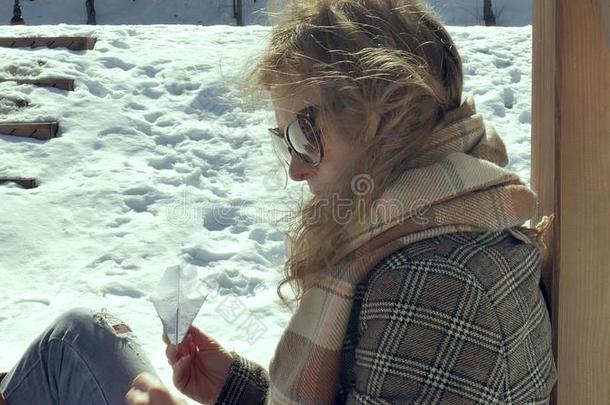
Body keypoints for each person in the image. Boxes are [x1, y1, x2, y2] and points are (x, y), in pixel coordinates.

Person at [0, 0, 557, 404]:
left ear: (381, 112)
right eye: (284, 140)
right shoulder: (443, 221)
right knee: (81, 336)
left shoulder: (432, 285)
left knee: (69, 349)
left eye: (302, 133)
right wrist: (238, 391)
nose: (293, 168)